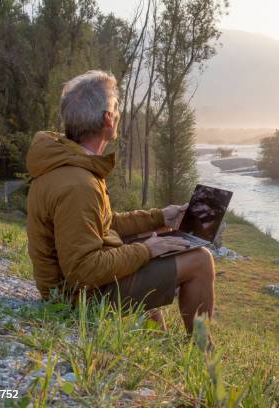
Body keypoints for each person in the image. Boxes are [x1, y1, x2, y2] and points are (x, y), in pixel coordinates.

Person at [25, 70, 215, 333]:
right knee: (200, 260)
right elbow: (82, 270)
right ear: (107, 118)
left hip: (79, 288)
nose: (118, 114)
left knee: (158, 233)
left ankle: (156, 337)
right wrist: (147, 250)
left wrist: (161, 217)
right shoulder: (78, 185)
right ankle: (202, 353)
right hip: (76, 300)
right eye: (116, 108)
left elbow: (104, 224)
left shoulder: (71, 165)